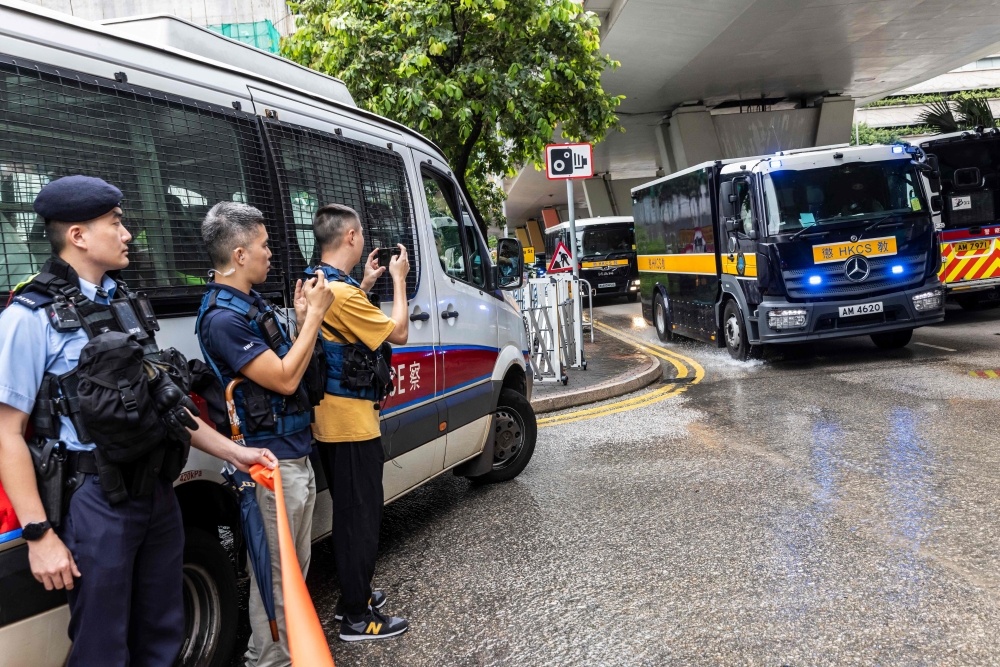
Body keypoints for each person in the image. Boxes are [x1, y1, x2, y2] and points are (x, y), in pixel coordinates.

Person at [0, 175, 276, 667]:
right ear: (79, 235)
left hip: (157, 492)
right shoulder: (29, 317)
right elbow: (6, 434)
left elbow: (167, 404)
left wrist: (237, 452)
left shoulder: (125, 302)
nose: (128, 234)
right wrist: (39, 536)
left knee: (164, 635)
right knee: (102, 647)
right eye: (117, 223)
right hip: (95, 500)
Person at [195, 201, 334, 667]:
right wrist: (315, 316)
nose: (271, 253)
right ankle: (270, 659)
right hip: (269, 464)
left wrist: (299, 319)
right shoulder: (223, 318)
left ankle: (288, 654)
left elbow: (290, 363)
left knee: (294, 572)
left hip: (294, 451)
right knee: (276, 577)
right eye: (263, 245)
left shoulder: (250, 304)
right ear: (238, 255)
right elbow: (286, 379)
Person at [307, 203, 410, 641]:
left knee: (354, 514)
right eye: (362, 232)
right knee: (359, 520)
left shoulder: (323, 281)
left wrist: (367, 283)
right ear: (350, 237)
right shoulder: (343, 294)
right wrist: (400, 281)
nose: (365, 239)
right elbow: (399, 332)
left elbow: (343, 328)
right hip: (350, 427)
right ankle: (355, 616)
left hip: (333, 422)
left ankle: (358, 594)